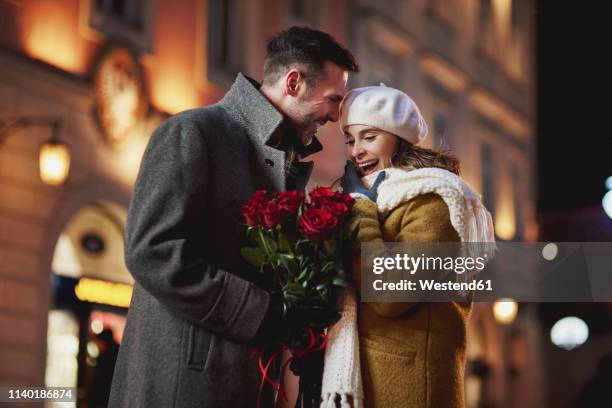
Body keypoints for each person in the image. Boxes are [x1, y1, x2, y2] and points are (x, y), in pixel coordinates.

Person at [109, 26, 358, 408]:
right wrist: (267, 312)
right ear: (293, 83)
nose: (335, 116)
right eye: (332, 99)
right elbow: (152, 251)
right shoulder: (193, 132)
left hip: (241, 383)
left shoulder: (282, 159)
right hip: (185, 385)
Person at [321, 84, 495, 408]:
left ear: (397, 138)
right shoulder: (372, 199)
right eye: (350, 139)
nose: (356, 150)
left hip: (412, 387)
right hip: (370, 381)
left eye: (369, 137)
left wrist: (359, 206)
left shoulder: (435, 200)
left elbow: (389, 293)